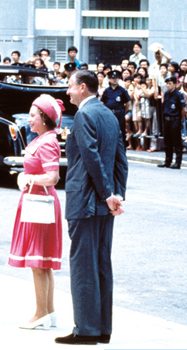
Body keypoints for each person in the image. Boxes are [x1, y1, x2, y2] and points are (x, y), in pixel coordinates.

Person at [54, 70, 128, 345]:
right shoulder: (108, 114)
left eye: (70, 87)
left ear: (83, 87)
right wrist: (117, 195)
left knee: (84, 265)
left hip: (86, 200)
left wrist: (108, 194)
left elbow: (90, 158)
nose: (67, 92)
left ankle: (85, 329)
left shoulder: (84, 115)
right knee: (101, 264)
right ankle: (102, 328)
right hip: (104, 205)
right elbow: (121, 160)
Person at [9, 94, 63, 330]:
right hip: (37, 200)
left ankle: (41, 313)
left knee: (38, 259)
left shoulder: (48, 141)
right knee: (43, 261)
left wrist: (27, 177)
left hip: (39, 202)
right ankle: (48, 312)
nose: (29, 120)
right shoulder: (44, 139)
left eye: (32, 115)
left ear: (44, 117)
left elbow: (53, 177)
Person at [158, 76, 185, 169]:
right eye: (167, 84)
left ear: (175, 84)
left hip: (175, 119)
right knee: (167, 142)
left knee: (176, 142)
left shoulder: (178, 95)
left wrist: (180, 120)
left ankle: (178, 162)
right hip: (167, 119)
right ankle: (168, 161)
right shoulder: (166, 94)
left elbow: (182, 109)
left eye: (170, 84)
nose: (168, 85)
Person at [101, 70, 130, 149]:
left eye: (116, 78)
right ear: (109, 79)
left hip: (119, 113)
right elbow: (104, 103)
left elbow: (127, 103)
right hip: (109, 114)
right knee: (109, 132)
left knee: (121, 132)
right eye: (112, 78)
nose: (114, 80)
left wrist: (123, 111)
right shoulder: (107, 91)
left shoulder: (122, 90)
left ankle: (122, 152)